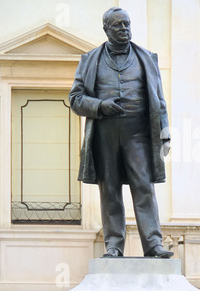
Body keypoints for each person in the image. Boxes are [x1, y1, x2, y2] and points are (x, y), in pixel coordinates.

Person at [69, 7, 173, 258]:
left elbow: (158, 99)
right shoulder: (90, 59)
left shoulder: (146, 58)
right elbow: (75, 99)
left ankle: (154, 245)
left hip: (139, 135)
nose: (124, 29)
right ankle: (113, 245)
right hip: (104, 135)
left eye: (127, 24)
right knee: (110, 190)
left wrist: (165, 132)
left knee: (144, 187)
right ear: (106, 29)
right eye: (118, 25)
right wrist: (100, 106)